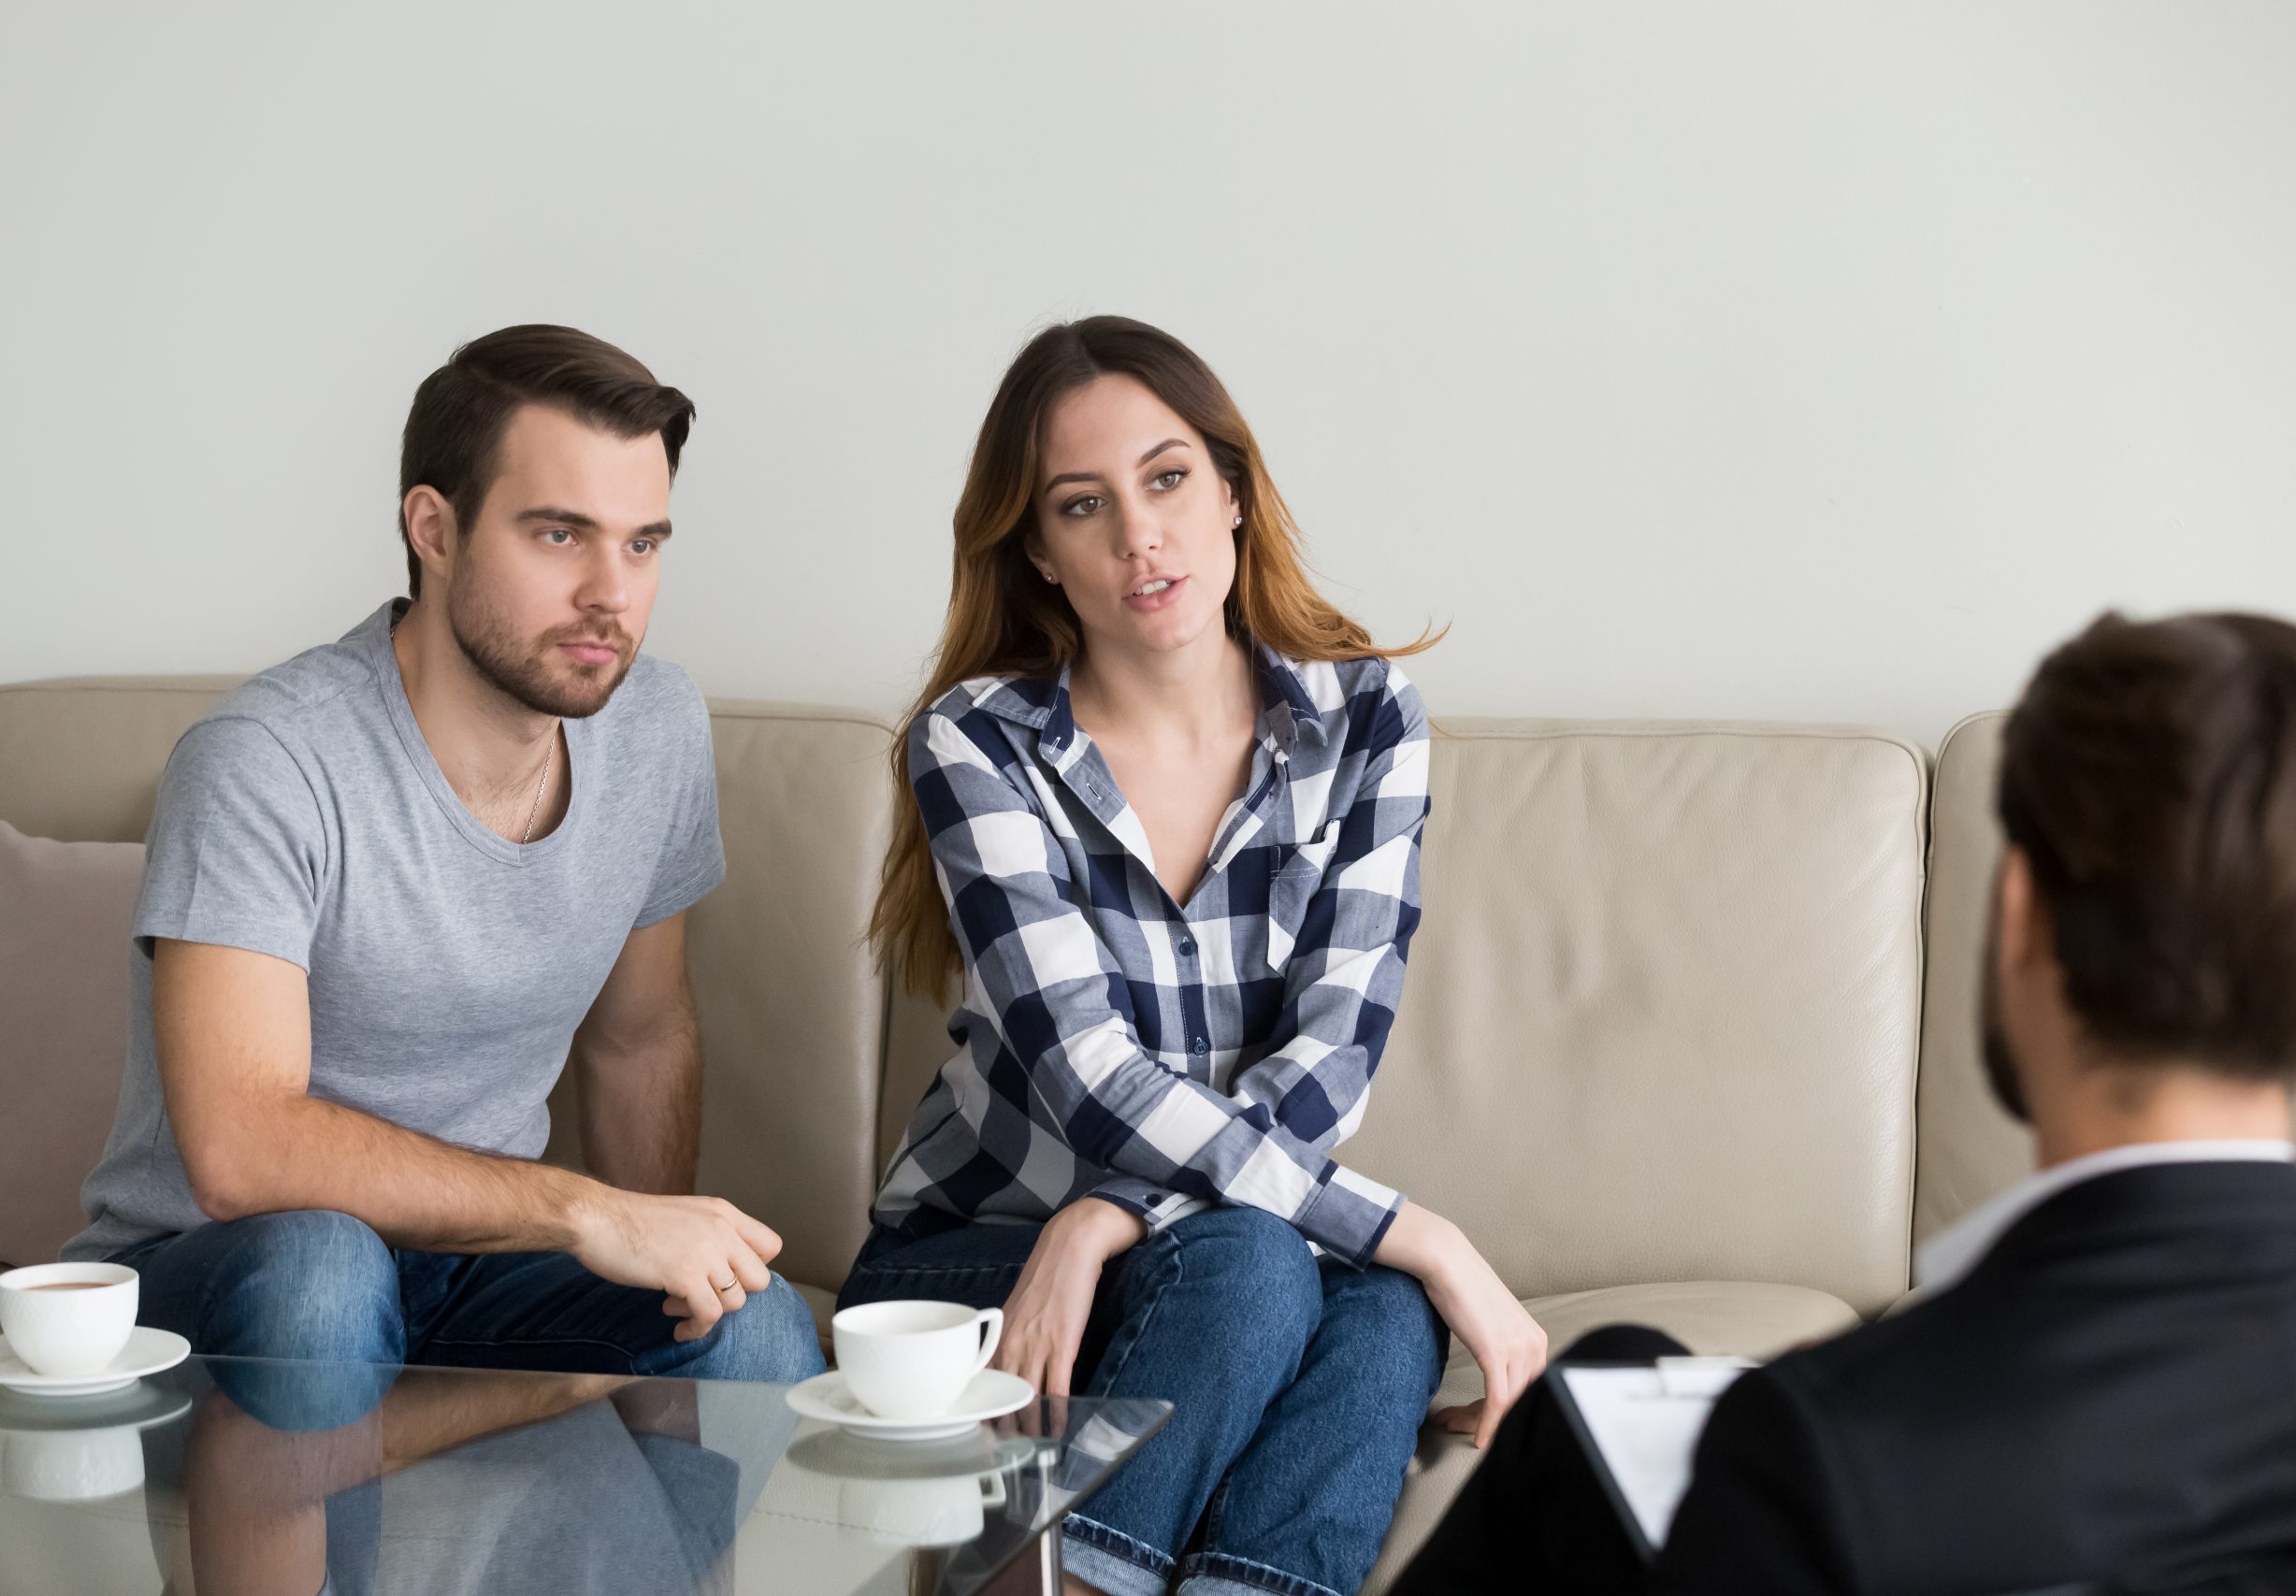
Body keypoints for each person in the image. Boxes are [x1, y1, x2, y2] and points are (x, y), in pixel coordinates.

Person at [1392, 610, 2296, 1594]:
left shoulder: (1822, 1458)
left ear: (2018, 922)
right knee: (1610, 1390)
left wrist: (1838, 1405)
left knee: (1591, 1409)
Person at [845, 316, 1547, 1596]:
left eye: (1167, 479)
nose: (1138, 537)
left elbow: (1335, 1055)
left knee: (1383, 1311)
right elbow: (1089, 1079)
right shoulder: (977, 743)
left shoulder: (1368, 717)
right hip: (985, 1248)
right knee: (1287, 1263)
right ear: (1042, 554)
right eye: (1082, 504)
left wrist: (1111, 1214)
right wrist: (1429, 1233)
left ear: (1230, 489)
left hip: (1161, 1240)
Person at [65, 325, 822, 1403]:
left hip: (479, 1273)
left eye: (643, 544)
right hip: (224, 1282)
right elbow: (242, 1148)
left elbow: (641, 1040)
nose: (614, 592)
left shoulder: (654, 727)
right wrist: (586, 1212)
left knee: (748, 1326)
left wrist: (658, 1255)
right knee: (323, 1273)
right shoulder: (266, 761)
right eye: (561, 536)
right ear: (435, 528)